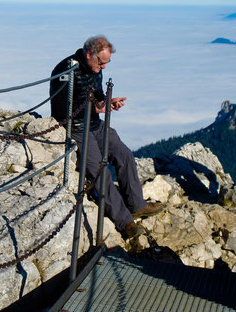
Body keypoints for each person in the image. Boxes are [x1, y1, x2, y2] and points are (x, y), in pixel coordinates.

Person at [50, 35, 163, 240]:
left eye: (106, 63)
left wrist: (108, 103)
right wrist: (97, 108)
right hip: (76, 128)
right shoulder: (66, 71)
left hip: (95, 125)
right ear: (89, 54)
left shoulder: (94, 69)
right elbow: (63, 108)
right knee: (100, 172)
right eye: (101, 62)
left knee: (125, 155)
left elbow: (98, 95)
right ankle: (125, 222)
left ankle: (136, 205)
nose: (102, 67)